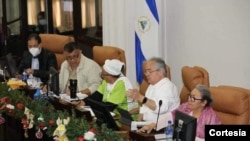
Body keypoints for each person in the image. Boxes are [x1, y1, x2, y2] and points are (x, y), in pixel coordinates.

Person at [137, 84, 221, 140]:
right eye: (189, 96)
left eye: (194, 98)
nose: (189, 100)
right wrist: (153, 125)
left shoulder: (211, 117)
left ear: (204, 102)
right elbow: (171, 116)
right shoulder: (185, 107)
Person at [127, 57, 180, 122]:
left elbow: (161, 108)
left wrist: (140, 97)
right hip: (146, 124)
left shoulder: (168, 87)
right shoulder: (151, 86)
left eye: (150, 71)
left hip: (162, 128)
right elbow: (144, 109)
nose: (146, 74)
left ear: (160, 72)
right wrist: (137, 122)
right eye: (145, 72)